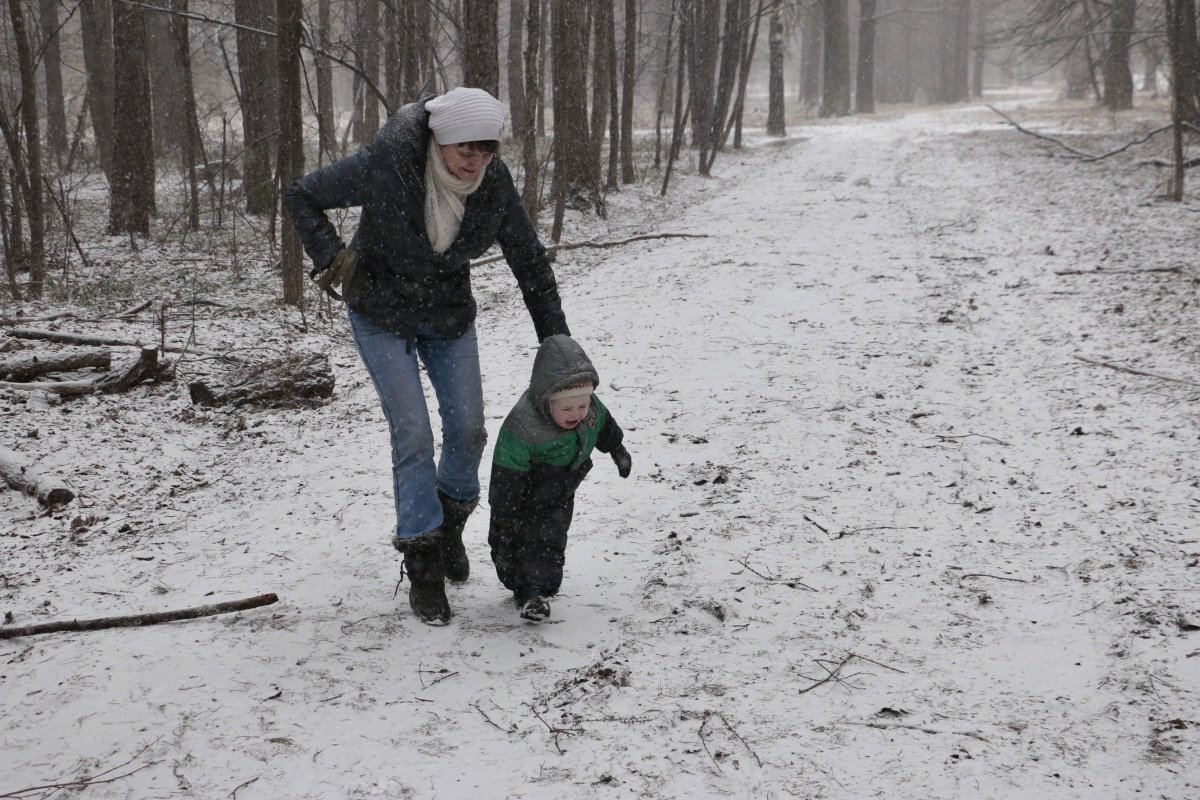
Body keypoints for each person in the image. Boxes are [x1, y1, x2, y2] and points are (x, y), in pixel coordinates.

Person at [282, 88, 570, 626]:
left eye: (487, 153)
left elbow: (530, 262)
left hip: (445, 313)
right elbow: (302, 194)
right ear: (439, 137)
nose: (474, 162)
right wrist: (330, 256)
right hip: (380, 311)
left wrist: (559, 348)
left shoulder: (493, 186)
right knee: (412, 434)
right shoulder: (388, 166)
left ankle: (448, 528)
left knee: (469, 431)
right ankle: (423, 563)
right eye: (466, 149)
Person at [488, 334, 632, 622]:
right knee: (518, 543)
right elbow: (506, 474)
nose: (576, 414)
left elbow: (603, 425)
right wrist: (505, 516)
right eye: (566, 408)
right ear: (546, 400)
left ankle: (539, 590)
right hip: (523, 496)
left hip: (562, 488)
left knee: (552, 539)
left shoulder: (589, 409)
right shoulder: (522, 427)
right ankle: (527, 588)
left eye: (582, 406)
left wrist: (617, 449)